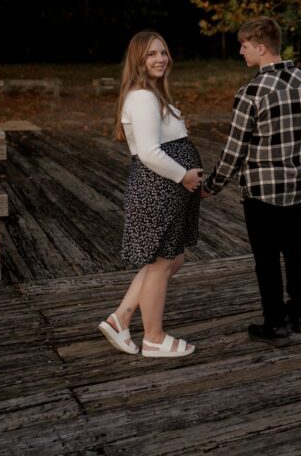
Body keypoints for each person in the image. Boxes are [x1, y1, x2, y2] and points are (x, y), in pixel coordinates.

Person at [201, 17, 301, 347]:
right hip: (297, 187)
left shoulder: (251, 93)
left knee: (266, 257)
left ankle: (274, 324)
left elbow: (234, 151)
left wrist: (212, 185)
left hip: (261, 191)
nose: (240, 51)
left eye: (244, 45)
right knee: (294, 248)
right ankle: (300, 313)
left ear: (261, 48)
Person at [98, 31, 203, 358]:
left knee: (174, 256)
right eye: (151, 55)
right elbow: (148, 152)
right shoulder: (142, 97)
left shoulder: (155, 94)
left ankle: (121, 318)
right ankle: (154, 338)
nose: (160, 59)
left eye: (163, 52)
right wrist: (183, 175)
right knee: (161, 262)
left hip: (171, 188)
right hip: (159, 187)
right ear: (138, 60)